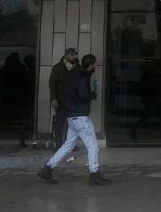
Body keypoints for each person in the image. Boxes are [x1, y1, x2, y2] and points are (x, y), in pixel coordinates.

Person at [39, 54, 111, 186]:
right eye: (94, 64)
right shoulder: (82, 77)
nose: (95, 66)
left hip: (72, 116)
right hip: (81, 117)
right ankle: (94, 174)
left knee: (67, 145)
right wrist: (93, 94)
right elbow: (83, 96)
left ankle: (47, 168)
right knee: (93, 146)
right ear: (90, 65)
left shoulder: (75, 74)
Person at [48, 48, 78, 150]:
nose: (74, 56)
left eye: (75, 54)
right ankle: (59, 145)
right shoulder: (58, 67)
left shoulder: (77, 67)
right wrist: (53, 98)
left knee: (73, 124)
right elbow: (52, 84)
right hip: (61, 100)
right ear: (66, 55)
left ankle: (70, 144)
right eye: (72, 55)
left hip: (73, 101)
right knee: (60, 123)